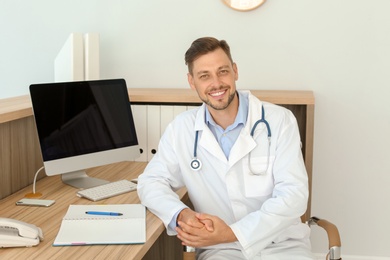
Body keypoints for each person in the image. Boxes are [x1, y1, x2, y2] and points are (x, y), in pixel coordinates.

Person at [137, 37, 314, 260]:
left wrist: (232, 232)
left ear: (235, 71)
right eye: (204, 76)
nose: (217, 83)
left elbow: (294, 195)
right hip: (221, 250)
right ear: (192, 82)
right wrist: (182, 214)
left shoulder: (279, 121)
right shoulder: (182, 129)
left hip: (282, 245)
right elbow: (150, 182)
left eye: (222, 71)